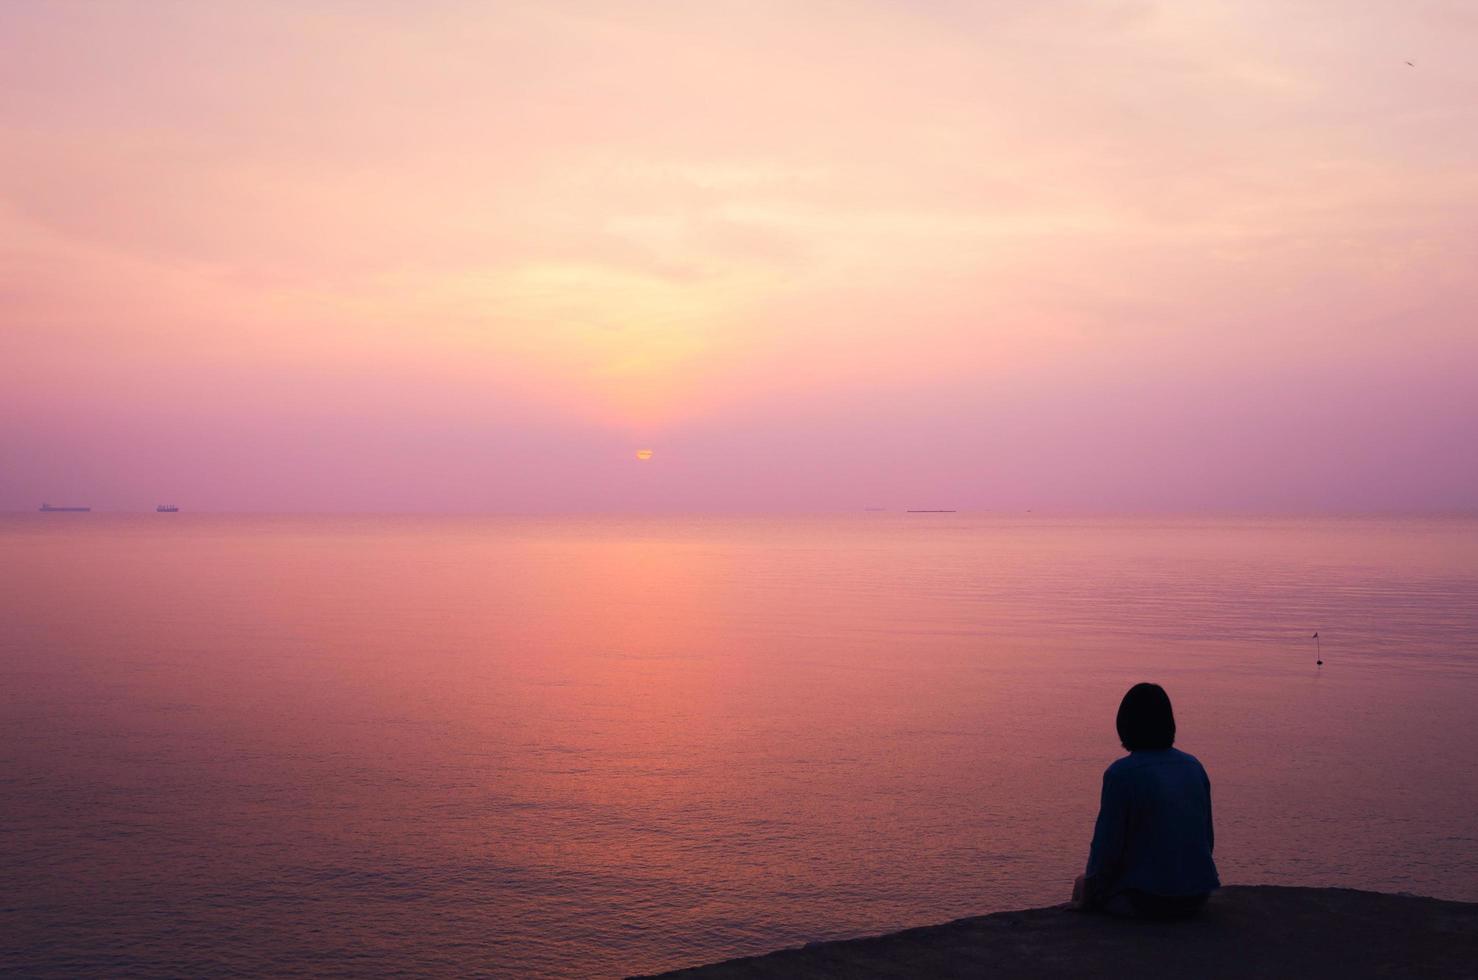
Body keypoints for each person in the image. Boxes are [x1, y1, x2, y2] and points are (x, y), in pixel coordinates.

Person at [1071, 682, 1219, 918]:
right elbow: (1207, 838)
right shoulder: (1194, 766)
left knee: (1082, 884)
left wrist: (1087, 897)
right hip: (1197, 896)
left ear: (1125, 724)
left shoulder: (1121, 774)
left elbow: (1106, 849)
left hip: (1146, 901)